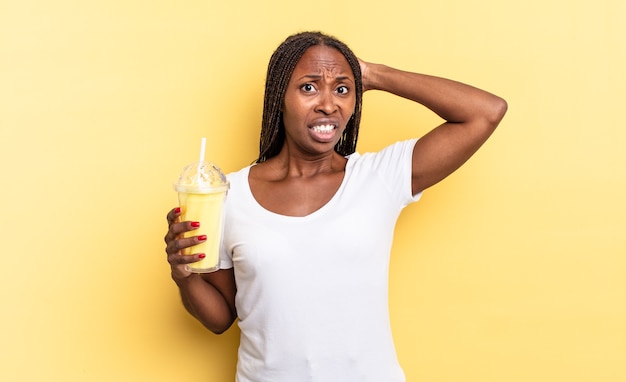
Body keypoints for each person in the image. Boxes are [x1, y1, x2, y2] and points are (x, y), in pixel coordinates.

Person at [164, 31, 507, 381]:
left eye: (342, 89)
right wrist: (184, 276)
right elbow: (221, 319)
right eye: (309, 87)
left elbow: (485, 112)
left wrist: (371, 74)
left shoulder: (377, 178)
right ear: (279, 96)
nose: (329, 104)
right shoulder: (227, 193)